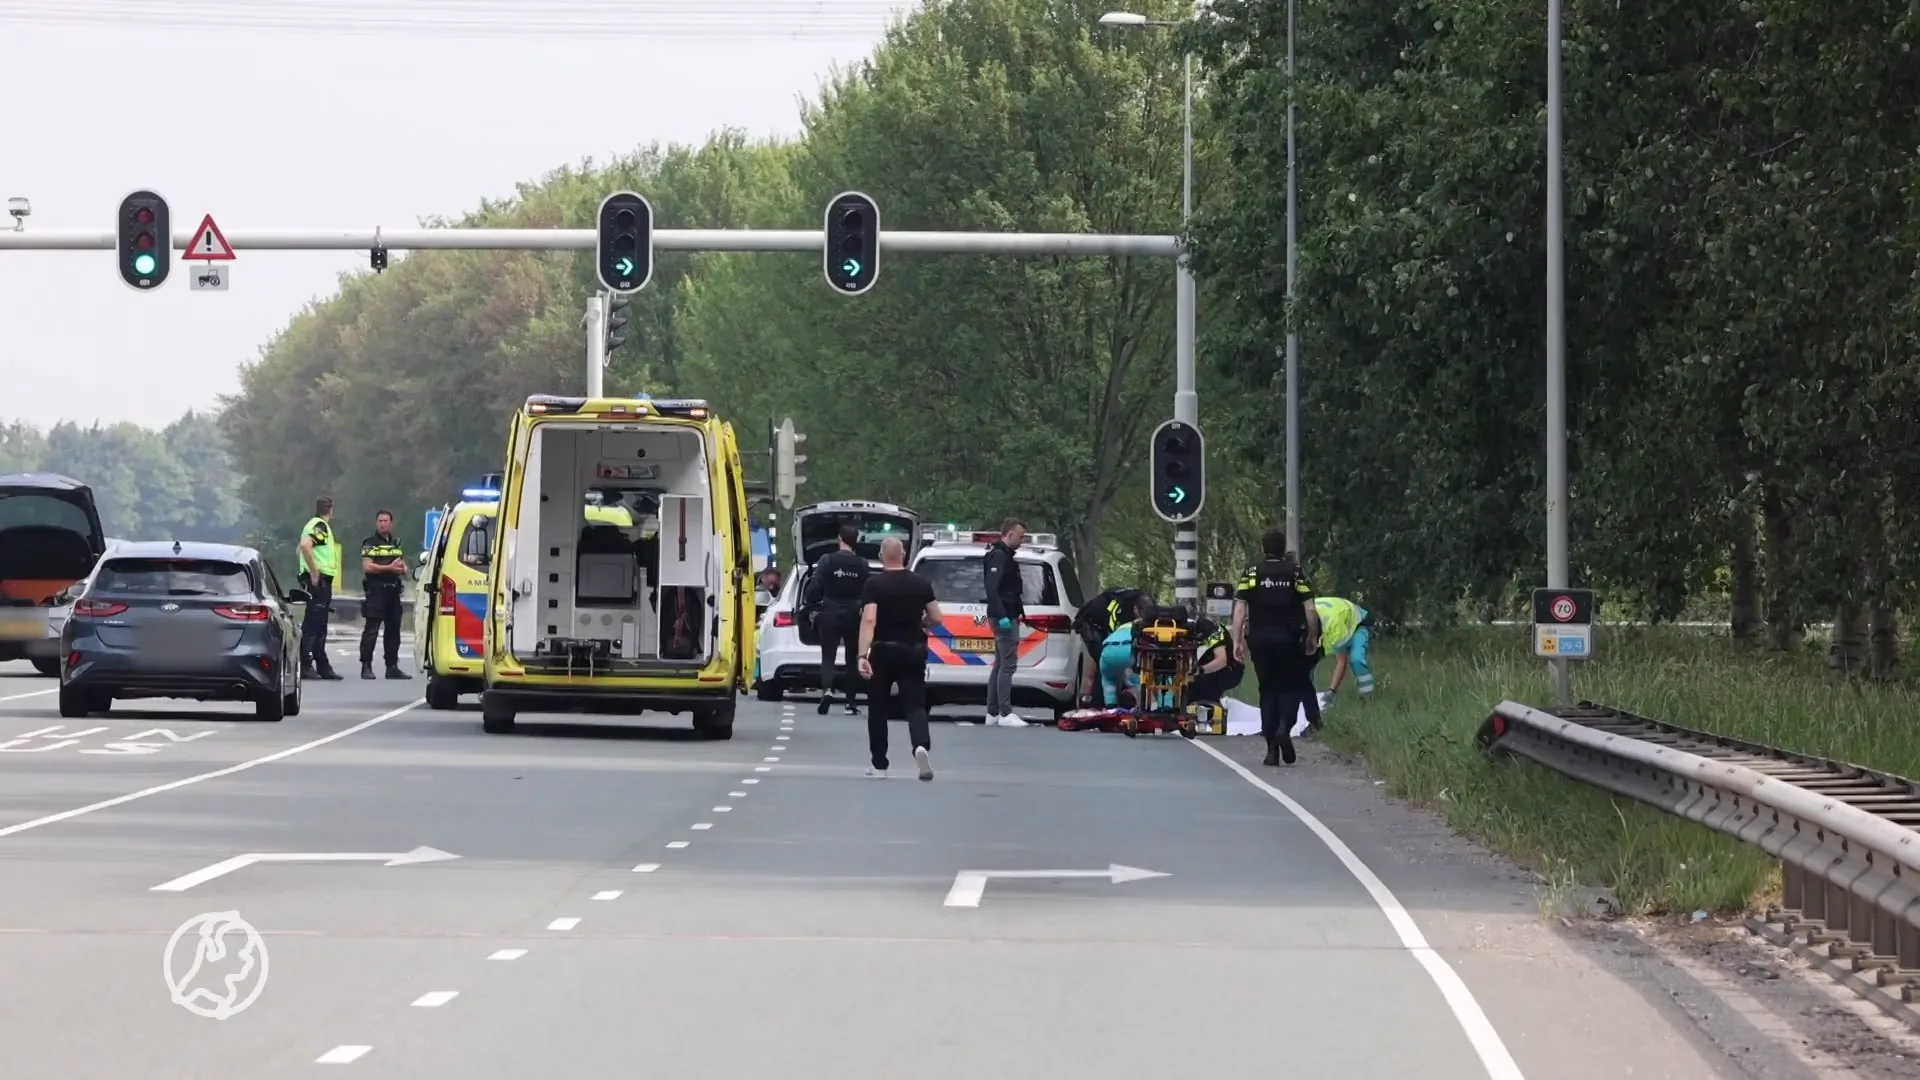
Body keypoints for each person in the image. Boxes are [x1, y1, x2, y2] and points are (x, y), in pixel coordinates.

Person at [1232, 530, 1321, 766]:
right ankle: (1284, 727)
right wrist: (1312, 636)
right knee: (1289, 687)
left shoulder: (1252, 572)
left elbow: (1240, 608)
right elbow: (1310, 608)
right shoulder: (1295, 572)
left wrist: (1237, 641)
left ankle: (1271, 747)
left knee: (1267, 689)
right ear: (1283, 549)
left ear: (1263, 549)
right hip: (1289, 640)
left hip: (1260, 641)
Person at [855, 536, 939, 781]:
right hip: (913, 650)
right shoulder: (921, 582)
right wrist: (921, 623)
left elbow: (869, 619)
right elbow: (937, 617)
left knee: (878, 708)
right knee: (915, 704)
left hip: (883, 650)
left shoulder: (874, 585)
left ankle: (879, 765)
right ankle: (920, 745)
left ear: (881, 557)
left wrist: (862, 654)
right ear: (903, 555)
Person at [804, 524, 872, 716]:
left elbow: (816, 585)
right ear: (855, 541)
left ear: (840, 539)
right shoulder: (862, 564)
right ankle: (850, 702)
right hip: (853, 615)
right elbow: (867, 590)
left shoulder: (827, 560)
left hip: (830, 612)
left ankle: (827, 690)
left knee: (828, 655)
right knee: (853, 657)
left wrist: (811, 601)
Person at [981, 518, 1030, 727]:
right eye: (1021, 537)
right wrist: (1003, 615)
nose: (1022, 540)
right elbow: (992, 589)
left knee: (1000, 664)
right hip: (1004, 615)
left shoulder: (1003, 556)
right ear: (1010, 535)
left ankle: (993, 712)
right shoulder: (1000, 557)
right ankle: (1004, 712)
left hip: (1006, 613)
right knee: (1008, 664)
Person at [358, 510, 412, 680]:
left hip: (393, 592)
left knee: (394, 630)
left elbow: (402, 565)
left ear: (391, 524)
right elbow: (367, 566)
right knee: (371, 630)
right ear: (376, 523)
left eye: (385, 521)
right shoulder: (370, 543)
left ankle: (392, 666)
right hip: (376, 591)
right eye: (380, 521)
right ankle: (366, 666)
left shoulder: (395, 543)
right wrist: (389, 568)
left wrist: (403, 569)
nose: (382, 524)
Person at [1073, 584, 1148, 705]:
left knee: (1114, 663)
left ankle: (1113, 700)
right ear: (1136, 609)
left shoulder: (1137, 604)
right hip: (1090, 624)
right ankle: (1099, 703)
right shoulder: (1125, 608)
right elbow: (1113, 626)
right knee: (1104, 660)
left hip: (1100, 622)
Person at [296, 496, 345, 681]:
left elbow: (300, 548)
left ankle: (322, 664)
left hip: (318, 581)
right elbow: (305, 546)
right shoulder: (320, 526)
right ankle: (305, 663)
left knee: (319, 623)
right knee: (313, 623)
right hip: (318, 581)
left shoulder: (311, 525)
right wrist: (314, 572)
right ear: (331, 510)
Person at [1312, 595, 1376, 712]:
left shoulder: (1334, 627)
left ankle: (1367, 699)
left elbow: (1341, 662)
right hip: (1340, 618)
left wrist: (1331, 691)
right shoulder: (1304, 613)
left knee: (1356, 659)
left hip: (1358, 624)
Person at [1095, 593, 1156, 707]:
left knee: (1109, 679)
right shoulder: (1150, 627)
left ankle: (1111, 706)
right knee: (1140, 678)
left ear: (1136, 610)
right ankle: (1154, 707)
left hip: (1108, 650)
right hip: (1129, 650)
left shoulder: (1126, 625)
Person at [1188, 613, 1246, 706]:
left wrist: (1200, 670)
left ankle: (1208, 703)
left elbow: (1222, 660)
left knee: (1199, 686)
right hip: (1215, 666)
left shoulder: (1210, 629)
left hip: (1229, 669)